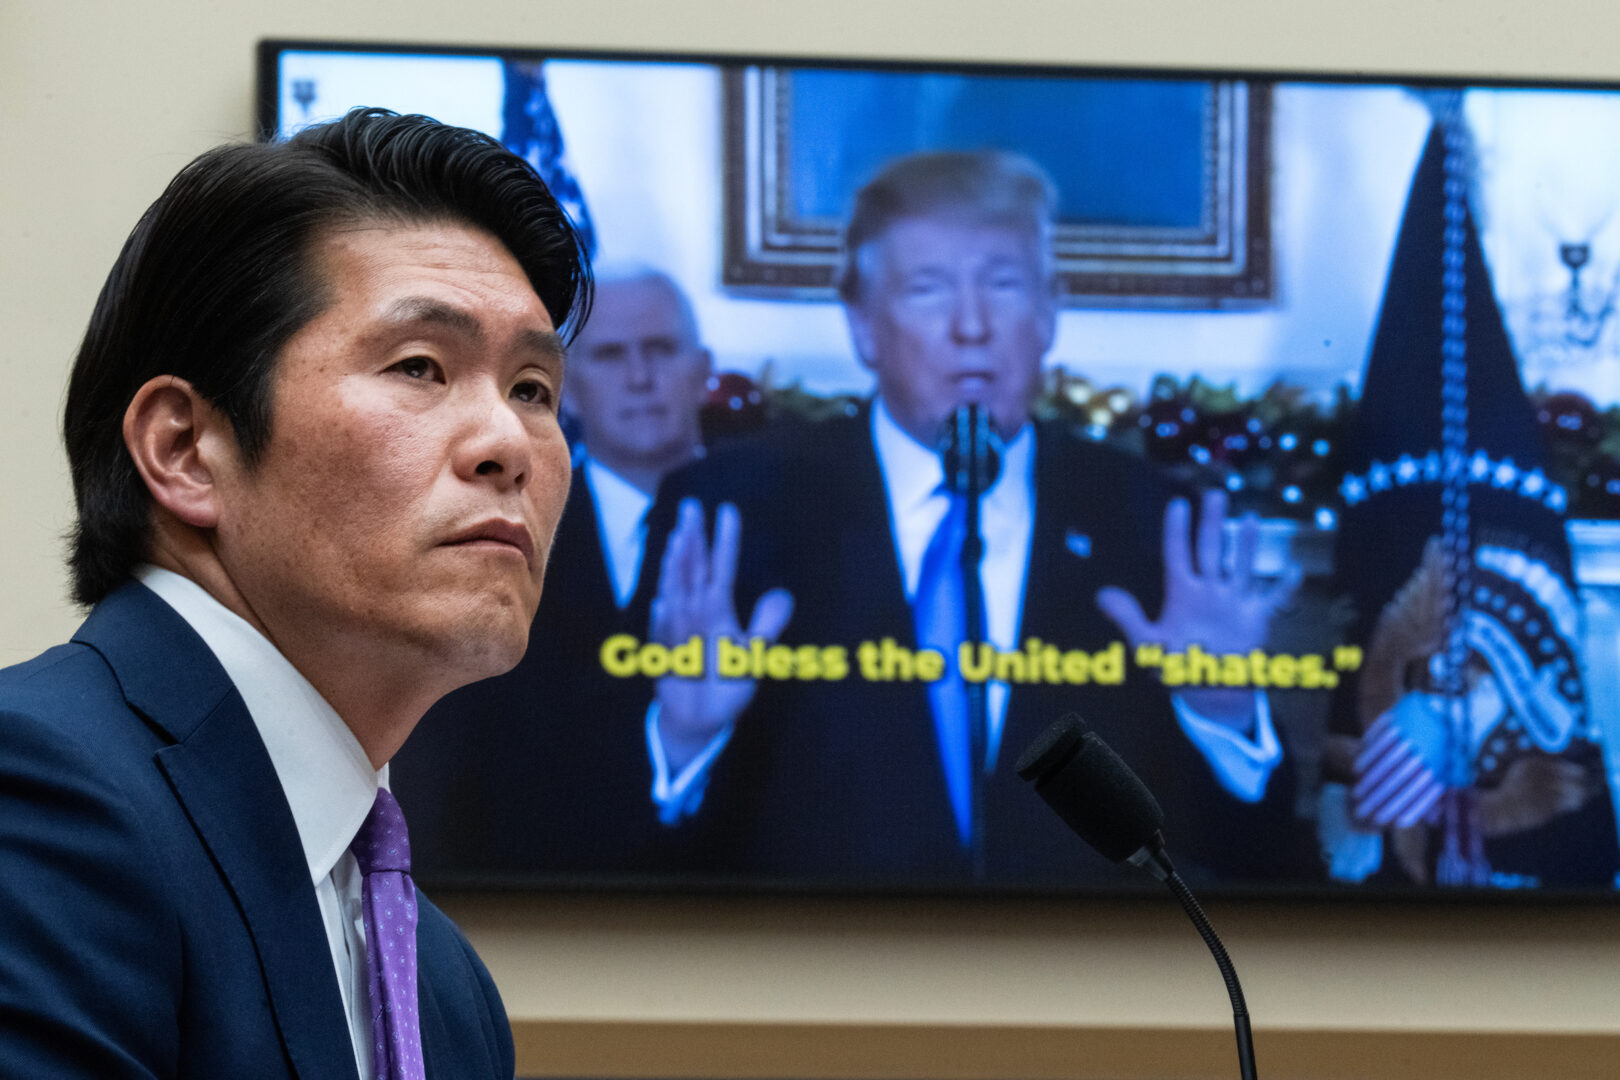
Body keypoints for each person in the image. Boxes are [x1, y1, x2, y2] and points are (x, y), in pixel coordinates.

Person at [0, 108, 590, 1077]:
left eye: (533, 389)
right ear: (186, 450)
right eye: (421, 367)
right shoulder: (41, 797)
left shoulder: (447, 989)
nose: (509, 445)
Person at [638, 150, 1303, 885]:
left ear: (1050, 313)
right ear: (863, 326)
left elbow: (1261, 867)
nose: (971, 326)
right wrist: (685, 738)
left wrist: (1225, 716)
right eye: (928, 289)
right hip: (819, 974)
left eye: (1004, 284)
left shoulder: (1155, 522)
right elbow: (605, 843)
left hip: (1090, 978)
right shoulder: (735, 512)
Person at [392, 265, 712, 876]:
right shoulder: (482, 532)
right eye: (612, 356)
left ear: (703, 370)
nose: (641, 379)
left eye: (661, 351)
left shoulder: (790, 521)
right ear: (572, 388)